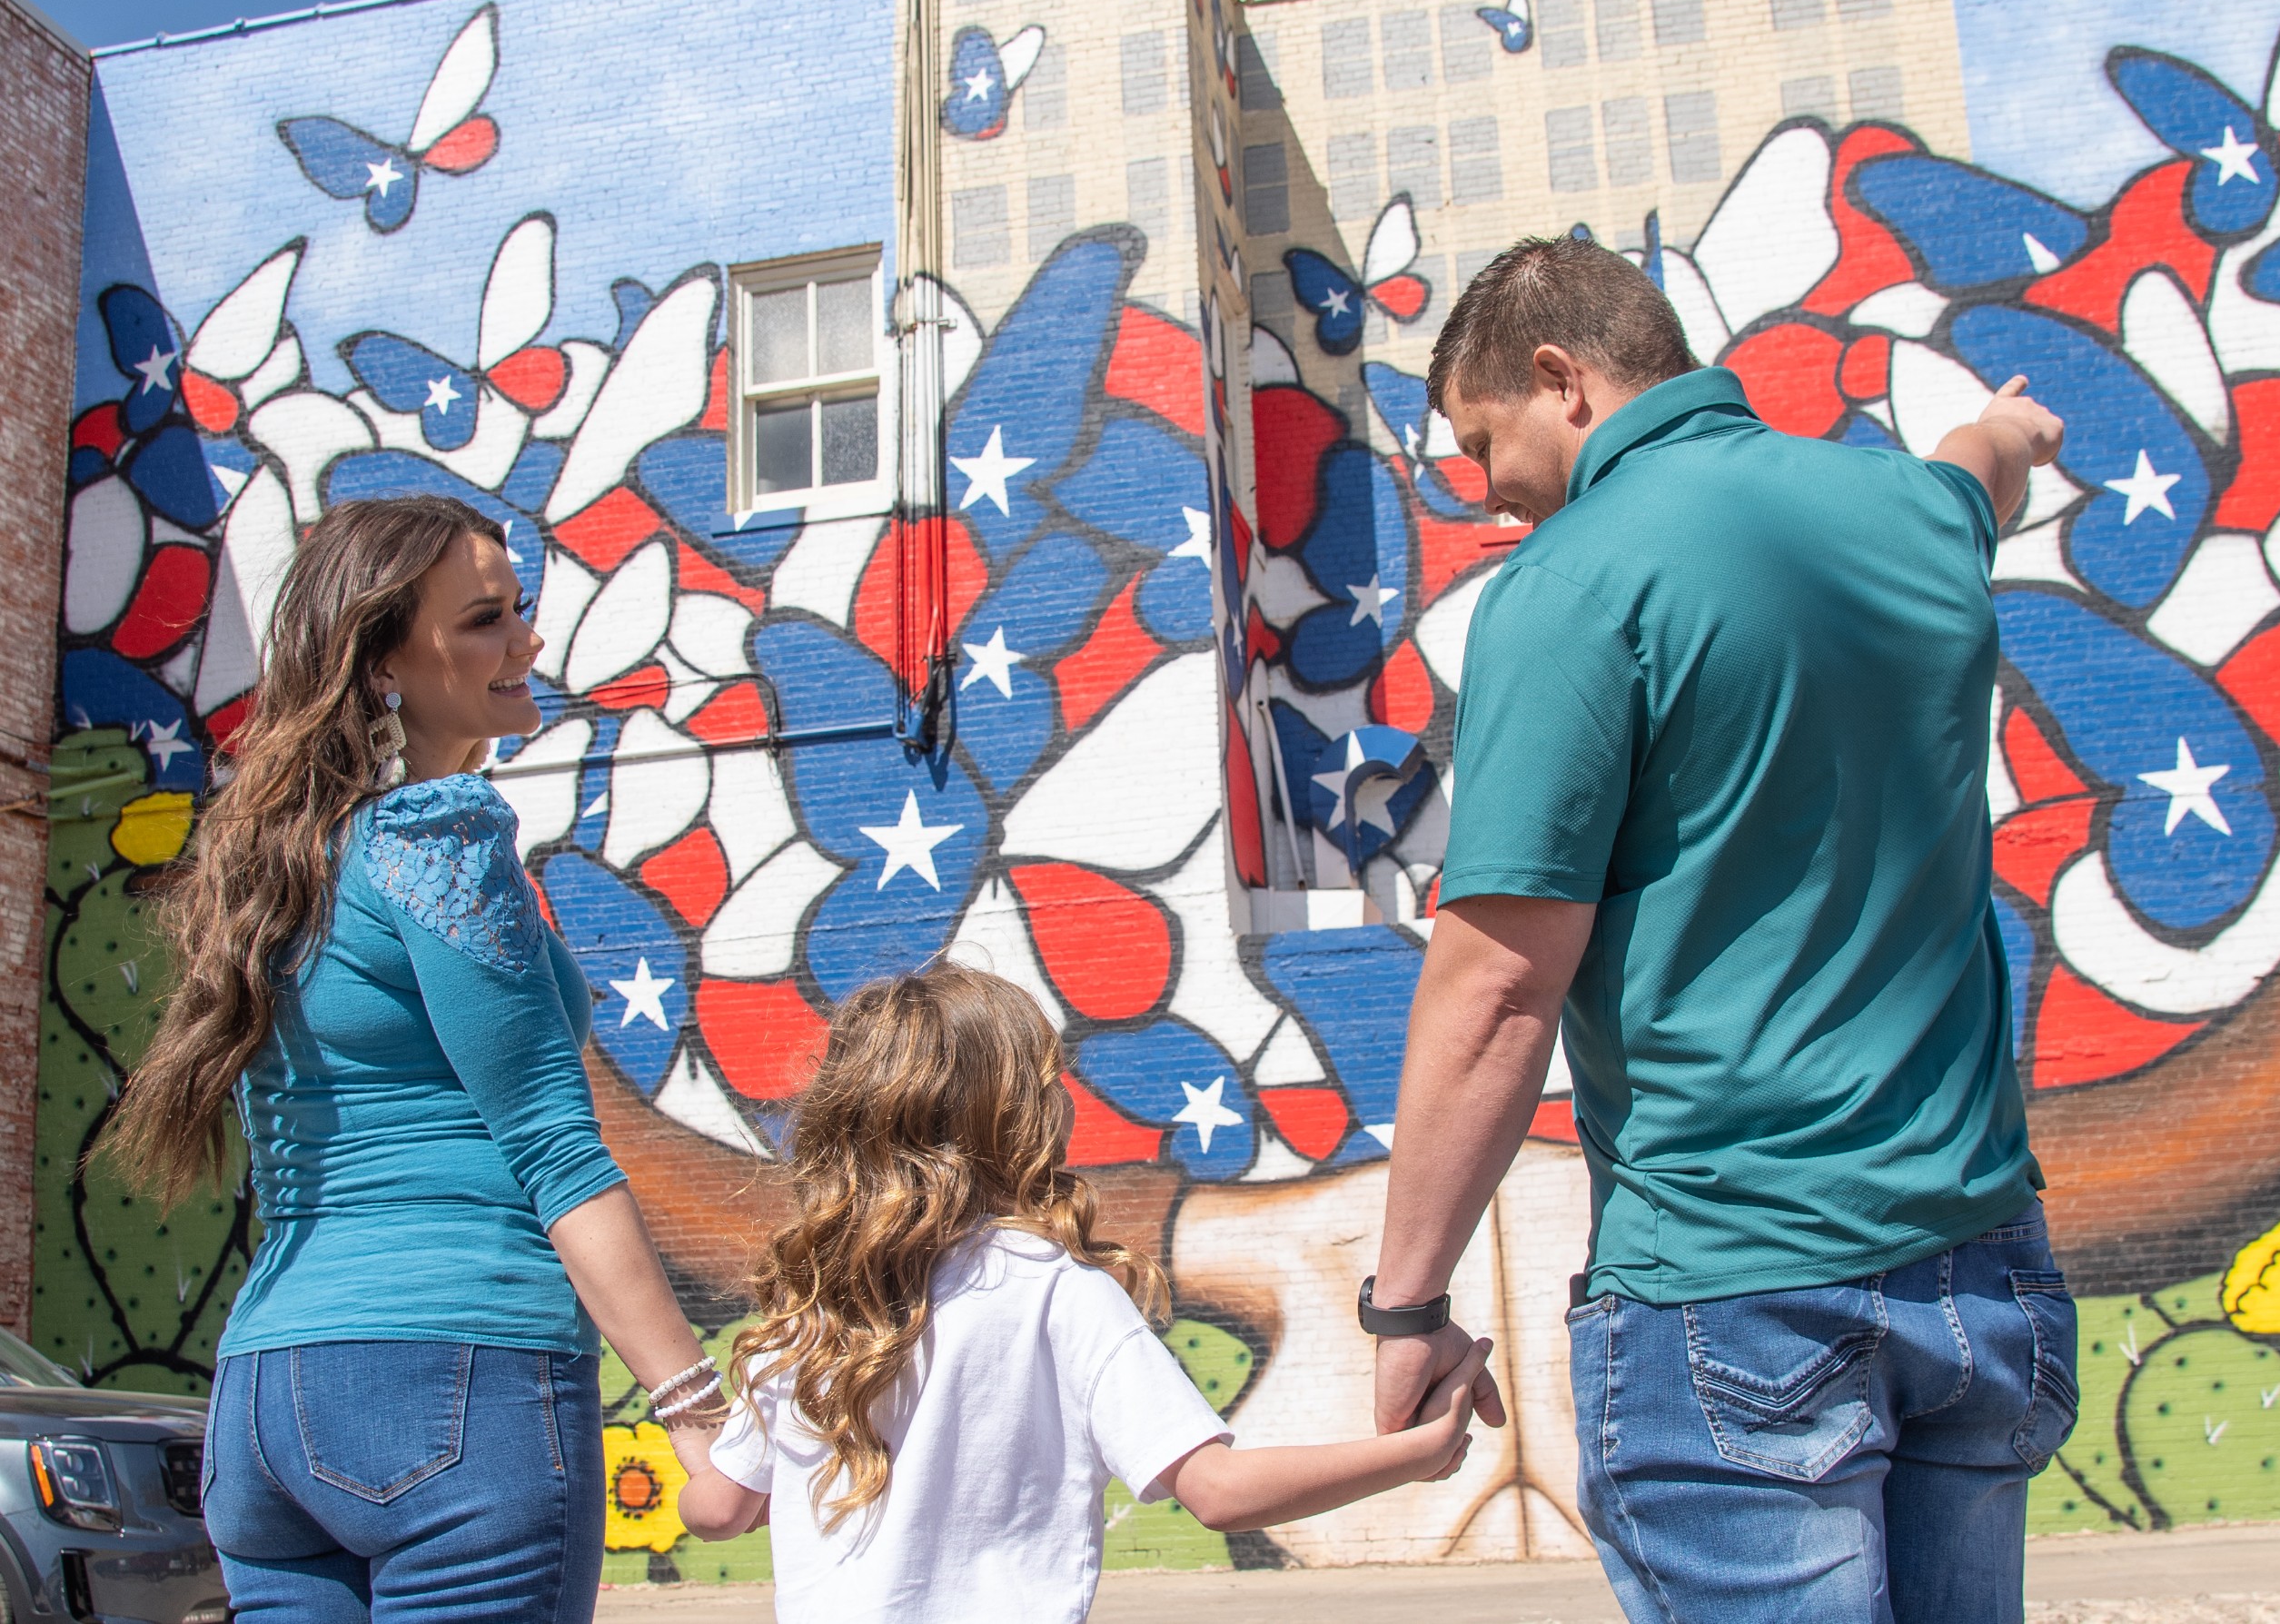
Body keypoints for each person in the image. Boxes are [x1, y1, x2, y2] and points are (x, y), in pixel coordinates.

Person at [1363, 238, 2080, 1624]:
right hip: (1982, 1281)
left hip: (1738, 1296)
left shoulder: (1572, 586)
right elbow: (1978, 466)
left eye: (1480, 436)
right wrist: (2010, 424)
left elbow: (1501, 989)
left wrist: (1406, 1309)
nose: (1480, 485)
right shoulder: (1910, 513)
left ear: (1561, 379)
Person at [106, 495, 730, 1623]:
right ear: (385, 662)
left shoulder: (272, 863)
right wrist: (694, 1404)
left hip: (266, 1404)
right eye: (485, 620)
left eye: (518, 609)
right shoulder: (440, 838)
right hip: (455, 1388)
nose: (527, 642)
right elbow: (552, 1144)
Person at [677, 963, 1489, 1619]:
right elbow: (1217, 1492)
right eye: (1049, 1081)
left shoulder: (818, 1310)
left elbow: (718, 1512)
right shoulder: (1058, 1291)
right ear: (1016, 1116)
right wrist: (1410, 1454)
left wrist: (683, 1404)